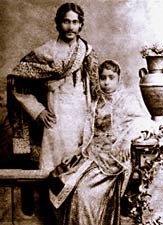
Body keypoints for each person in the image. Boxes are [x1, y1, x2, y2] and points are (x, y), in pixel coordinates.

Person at [48, 60, 154, 225]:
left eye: (111, 77)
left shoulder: (127, 100)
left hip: (114, 158)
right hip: (93, 154)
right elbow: (89, 134)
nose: (106, 82)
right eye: (103, 77)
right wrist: (77, 152)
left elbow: (142, 121)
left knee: (84, 194)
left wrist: (126, 140)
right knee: (63, 181)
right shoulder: (96, 102)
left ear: (119, 79)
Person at [7, 2, 100, 172]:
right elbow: (16, 80)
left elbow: (95, 91)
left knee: (80, 171)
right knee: (52, 171)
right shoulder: (45, 52)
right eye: (66, 21)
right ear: (58, 23)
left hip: (82, 117)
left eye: (75, 22)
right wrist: (38, 110)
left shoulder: (87, 52)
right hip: (55, 118)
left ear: (80, 25)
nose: (71, 27)